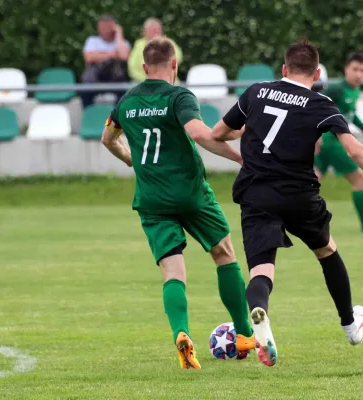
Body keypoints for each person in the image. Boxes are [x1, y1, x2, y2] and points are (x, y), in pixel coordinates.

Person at [211, 39, 363, 367]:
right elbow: (355, 151)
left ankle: (261, 316)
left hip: (256, 192)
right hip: (298, 194)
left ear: (283, 69)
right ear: (318, 72)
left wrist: (246, 133)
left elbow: (218, 132)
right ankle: (350, 326)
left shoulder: (256, 92)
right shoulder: (321, 103)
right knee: (326, 251)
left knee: (261, 270)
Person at [100, 37, 256, 370]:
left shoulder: (126, 102)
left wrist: (129, 159)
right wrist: (242, 158)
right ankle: (244, 333)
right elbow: (200, 134)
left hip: (152, 199)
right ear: (174, 65)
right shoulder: (179, 96)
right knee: (224, 253)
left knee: (173, 271)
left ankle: (182, 333)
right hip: (190, 193)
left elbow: (107, 138)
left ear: (143, 67)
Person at [316, 53, 363, 234]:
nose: (358, 74)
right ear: (346, 69)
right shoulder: (336, 88)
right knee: (359, 179)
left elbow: (350, 115)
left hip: (327, 141)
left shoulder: (354, 90)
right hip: (332, 141)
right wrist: (315, 133)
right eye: (355, 69)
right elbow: (315, 105)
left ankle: (282, 220)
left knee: (311, 181)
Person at [81, 15, 131, 108]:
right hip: (94, 80)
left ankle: (119, 119)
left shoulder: (122, 42)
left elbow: (124, 56)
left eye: (108, 26)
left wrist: (119, 34)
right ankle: (89, 117)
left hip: (116, 80)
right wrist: (113, 54)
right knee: (85, 90)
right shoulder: (92, 40)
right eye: (102, 26)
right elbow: (89, 57)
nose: (105, 29)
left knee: (124, 94)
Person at [128, 18, 182, 83]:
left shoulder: (168, 42)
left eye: (157, 30)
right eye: (152, 30)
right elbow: (132, 68)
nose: (155, 33)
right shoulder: (139, 44)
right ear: (145, 32)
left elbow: (178, 57)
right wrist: (147, 79)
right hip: (144, 83)